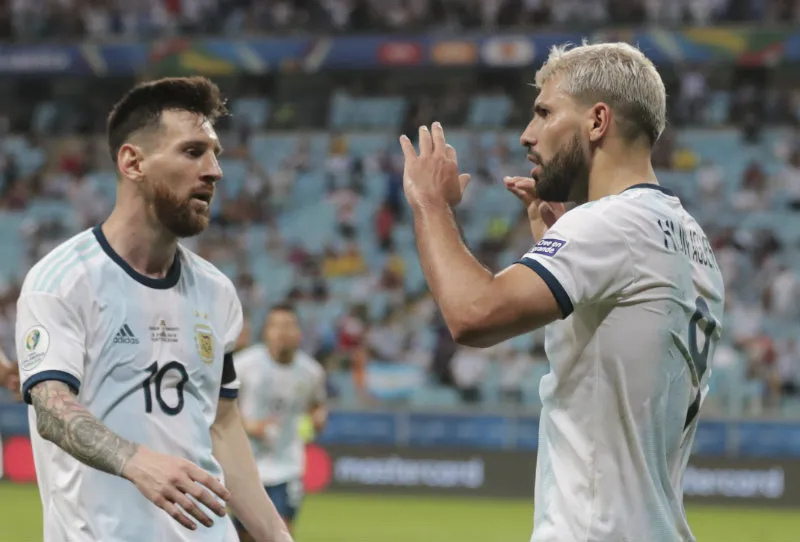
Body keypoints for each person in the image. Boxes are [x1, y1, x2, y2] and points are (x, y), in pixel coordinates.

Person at [399, 42, 724, 542]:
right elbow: (619, 362)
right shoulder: (693, 241)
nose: (528, 135)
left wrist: (428, 202)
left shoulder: (613, 223)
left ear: (597, 122)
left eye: (545, 112)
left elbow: (473, 313)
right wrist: (556, 243)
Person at [15, 76, 292, 542]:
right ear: (133, 162)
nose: (214, 170)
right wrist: (136, 461)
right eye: (192, 152)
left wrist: (275, 536)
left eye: (215, 154)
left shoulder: (217, 291)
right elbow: (52, 409)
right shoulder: (62, 280)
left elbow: (222, 424)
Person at [233, 303, 328, 539]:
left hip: (288, 465)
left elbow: (317, 404)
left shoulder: (311, 372)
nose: (282, 332)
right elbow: (221, 410)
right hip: (248, 466)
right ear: (266, 331)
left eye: (289, 326)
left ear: (300, 332)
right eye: (276, 326)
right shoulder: (244, 365)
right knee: (246, 534)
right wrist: (249, 426)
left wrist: (318, 417)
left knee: (281, 532)